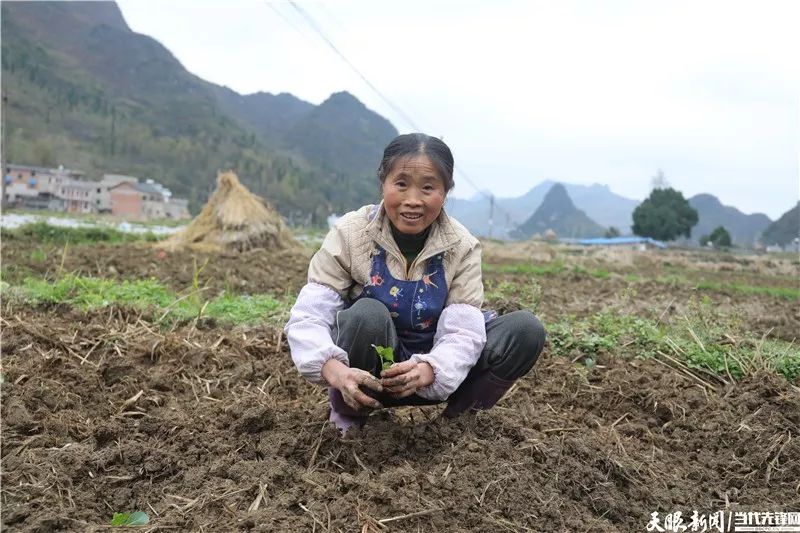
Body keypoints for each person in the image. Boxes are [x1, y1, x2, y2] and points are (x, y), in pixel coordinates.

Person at [284, 133, 546, 433]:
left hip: (435, 373)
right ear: (383, 182)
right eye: (401, 184)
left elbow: (463, 333)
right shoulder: (352, 233)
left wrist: (431, 369)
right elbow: (310, 315)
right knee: (365, 313)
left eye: (428, 188)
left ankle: (457, 428)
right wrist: (334, 369)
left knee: (525, 330)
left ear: (445, 192)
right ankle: (348, 420)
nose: (413, 200)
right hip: (367, 374)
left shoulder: (461, 246)